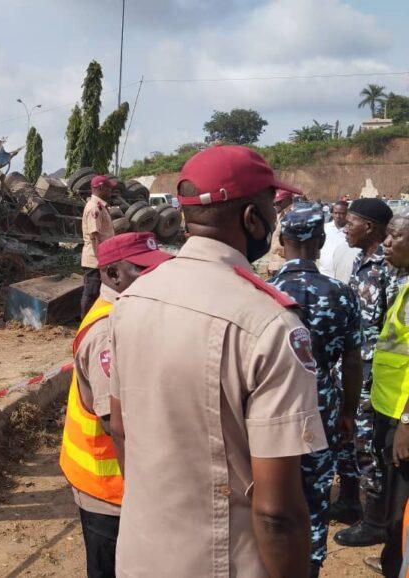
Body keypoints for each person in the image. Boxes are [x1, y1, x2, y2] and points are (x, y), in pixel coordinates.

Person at [108, 145, 326, 577]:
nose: (275, 221)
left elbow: (119, 426)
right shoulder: (269, 325)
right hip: (223, 562)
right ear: (252, 218)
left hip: (141, 553)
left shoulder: (132, 300)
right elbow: (277, 513)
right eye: (271, 207)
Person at [60, 232, 172, 578]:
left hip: (116, 481)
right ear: (112, 276)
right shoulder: (108, 330)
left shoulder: (126, 313)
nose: (155, 277)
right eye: (143, 270)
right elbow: (116, 424)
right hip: (110, 487)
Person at [269, 202, 363, 577]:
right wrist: (347, 414)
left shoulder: (264, 289)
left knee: (271, 491)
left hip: (270, 404)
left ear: (282, 240)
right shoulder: (341, 293)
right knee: (315, 493)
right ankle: (309, 565)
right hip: (321, 403)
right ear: (322, 240)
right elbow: (353, 362)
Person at [334, 198, 399, 546]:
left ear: (370, 228)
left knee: (370, 446)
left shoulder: (389, 268)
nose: (344, 228)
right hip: (355, 368)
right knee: (353, 439)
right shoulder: (360, 260)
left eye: (351, 222)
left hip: (376, 376)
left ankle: (374, 521)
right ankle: (349, 502)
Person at [364, 208, 409, 577]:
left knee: (400, 505)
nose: (387, 242)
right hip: (389, 407)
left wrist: (407, 422)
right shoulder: (405, 285)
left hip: (402, 417)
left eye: (395, 236)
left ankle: (395, 565)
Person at [81, 175, 115, 317]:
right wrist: (107, 254)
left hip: (100, 258)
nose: (110, 192)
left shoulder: (100, 206)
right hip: (95, 260)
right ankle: (85, 324)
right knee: (91, 292)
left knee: (97, 293)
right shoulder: (94, 208)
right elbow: (95, 235)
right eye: (108, 188)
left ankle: (93, 321)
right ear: (101, 188)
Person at [320, 200, 352, 278]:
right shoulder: (324, 228)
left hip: (344, 276)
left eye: (341, 213)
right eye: (335, 213)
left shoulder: (352, 232)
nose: (337, 216)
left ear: (348, 214)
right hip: (324, 274)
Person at [267, 188, 295, 275]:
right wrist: (271, 264)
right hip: (276, 262)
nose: (276, 204)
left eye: (279, 202)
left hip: (286, 263)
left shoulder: (295, 215)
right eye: (275, 202)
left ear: (288, 200)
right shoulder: (280, 214)